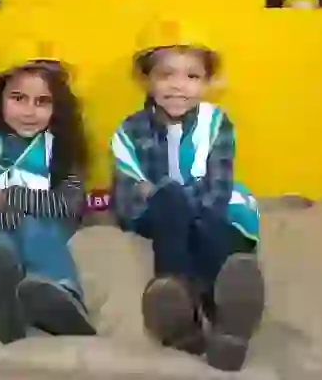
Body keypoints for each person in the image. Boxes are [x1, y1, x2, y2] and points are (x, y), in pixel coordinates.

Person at [111, 33, 264, 372]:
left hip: (209, 213)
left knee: (218, 225)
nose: (178, 86)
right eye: (167, 75)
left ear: (207, 83)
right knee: (171, 199)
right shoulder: (129, 131)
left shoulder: (217, 123)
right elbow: (125, 202)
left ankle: (224, 323)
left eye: (192, 76)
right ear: (147, 80)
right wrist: (166, 195)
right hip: (160, 216)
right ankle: (178, 297)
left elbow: (217, 188)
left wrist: (156, 189)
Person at [0, 57, 95, 343]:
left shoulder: (62, 149)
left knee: (36, 227)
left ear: (57, 107)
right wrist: (20, 211)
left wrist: (12, 197)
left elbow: (68, 208)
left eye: (42, 101)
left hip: (44, 231)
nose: (29, 111)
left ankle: (63, 299)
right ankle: (4, 312)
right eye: (18, 98)